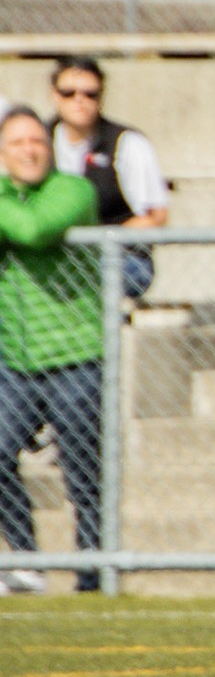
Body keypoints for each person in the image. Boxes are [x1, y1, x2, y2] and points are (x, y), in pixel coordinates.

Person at [0, 108, 103, 595]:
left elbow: (36, 229)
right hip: (15, 361)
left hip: (75, 356)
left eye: (36, 140)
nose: (28, 150)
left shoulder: (74, 189)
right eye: (16, 142)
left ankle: (94, 573)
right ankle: (27, 562)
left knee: (83, 475)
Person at [47, 58, 167, 299]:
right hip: (51, 255)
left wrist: (98, 241)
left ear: (101, 97)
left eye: (90, 94)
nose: (79, 101)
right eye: (68, 93)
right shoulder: (37, 141)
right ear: (55, 96)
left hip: (119, 258)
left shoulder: (128, 143)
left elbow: (155, 217)